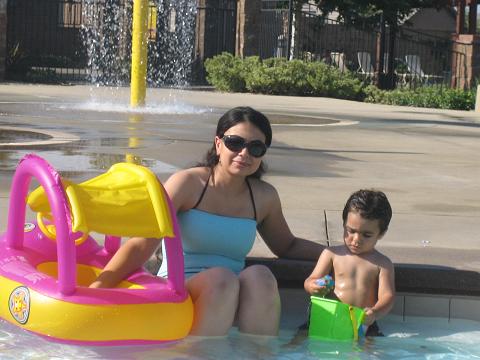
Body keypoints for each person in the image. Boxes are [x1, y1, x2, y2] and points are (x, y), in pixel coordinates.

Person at [90, 106, 324, 336]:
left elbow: (287, 245)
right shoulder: (188, 184)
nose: (244, 153)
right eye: (235, 143)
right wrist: (98, 289)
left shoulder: (264, 197)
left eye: (256, 147)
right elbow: (142, 242)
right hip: (181, 291)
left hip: (230, 295)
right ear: (218, 143)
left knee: (260, 276)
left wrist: (337, 254)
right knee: (222, 279)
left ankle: (258, 354)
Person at [304, 189, 395, 336]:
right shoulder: (332, 254)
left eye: (366, 235)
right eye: (351, 231)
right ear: (343, 224)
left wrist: (374, 313)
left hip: (363, 322)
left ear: (381, 233)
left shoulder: (382, 264)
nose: (356, 239)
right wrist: (314, 286)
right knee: (301, 340)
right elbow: (310, 281)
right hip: (328, 316)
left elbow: (387, 297)